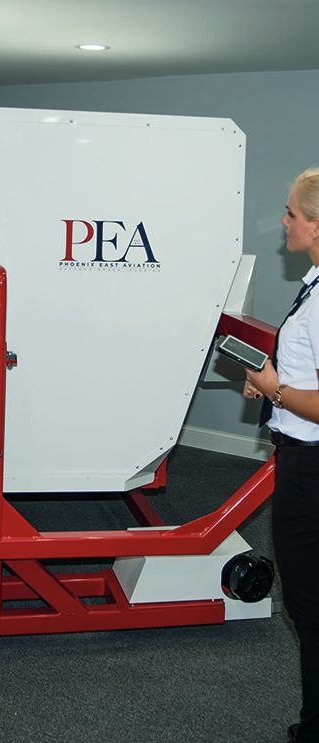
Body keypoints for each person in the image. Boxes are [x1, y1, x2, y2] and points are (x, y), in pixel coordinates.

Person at [244, 168, 319, 743]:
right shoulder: (314, 284)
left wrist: (277, 390)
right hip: (303, 459)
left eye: (292, 213)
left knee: (309, 604)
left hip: (311, 470)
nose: (284, 221)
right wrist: (275, 383)